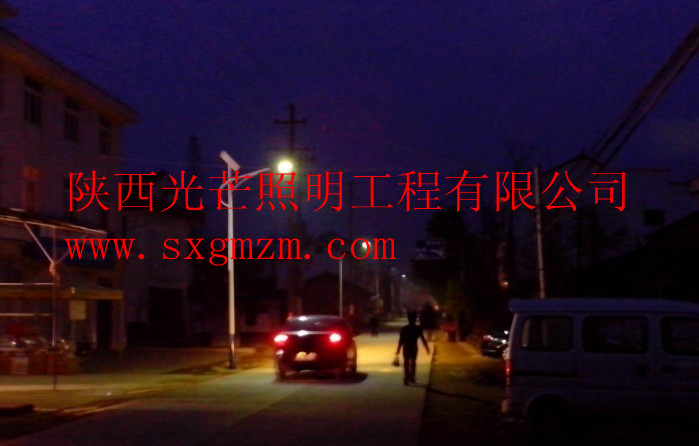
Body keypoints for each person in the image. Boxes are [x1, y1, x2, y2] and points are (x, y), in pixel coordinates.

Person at [396, 311, 430, 385]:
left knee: (406, 363)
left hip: (406, 347)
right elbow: (423, 339)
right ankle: (412, 377)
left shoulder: (404, 329)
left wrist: (398, 350)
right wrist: (427, 348)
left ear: (408, 319)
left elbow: (401, 340)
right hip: (414, 348)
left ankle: (406, 377)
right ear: (415, 319)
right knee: (413, 363)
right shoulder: (417, 329)